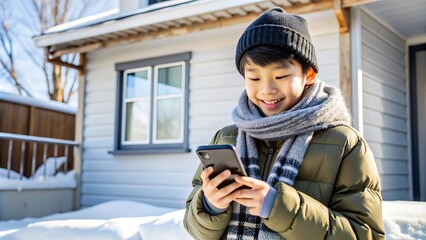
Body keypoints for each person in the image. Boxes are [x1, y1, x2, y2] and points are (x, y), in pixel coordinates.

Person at [183, 7, 385, 240]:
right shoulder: (226, 137)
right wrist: (210, 206)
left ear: (309, 74)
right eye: (254, 77)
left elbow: (365, 234)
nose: (267, 90)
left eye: (280, 76)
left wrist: (278, 206)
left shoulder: (344, 144)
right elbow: (193, 224)